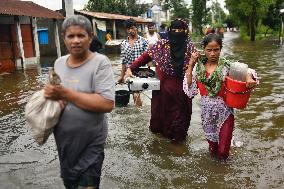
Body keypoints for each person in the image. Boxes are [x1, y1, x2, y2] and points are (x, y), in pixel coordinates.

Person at [44, 15, 115, 189]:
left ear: (90, 37)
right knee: (70, 184)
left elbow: (107, 103)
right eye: (71, 36)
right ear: (64, 38)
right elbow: (56, 94)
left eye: (81, 35)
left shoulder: (100, 63)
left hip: (91, 145)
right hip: (66, 144)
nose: (76, 41)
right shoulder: (59, 63)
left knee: (87, 185)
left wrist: (66, 93)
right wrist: (52, 97)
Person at [183, 33, 258, 159]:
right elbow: (189, 86)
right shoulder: (198, 67)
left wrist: (249, 78)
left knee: (223, 152)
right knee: (213, 150)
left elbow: (247, 71)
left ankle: (223, 174)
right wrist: (191, 64)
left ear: (220, 49)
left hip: (225, 113)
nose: (213, 53)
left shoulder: (227, 66)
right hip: (207, 115)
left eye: (216, 50)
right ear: (204, 50)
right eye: (209, 50)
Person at [125, 18, 197, 143]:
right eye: (174, 30)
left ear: (185, 32)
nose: (176, 33)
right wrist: (131, 68)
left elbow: (203, 68)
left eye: (180, 30)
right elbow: (145, 56)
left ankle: (177, 148)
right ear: (169, 31)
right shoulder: (161, 45)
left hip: (182, 93)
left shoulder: (190, 48)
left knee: (179, 127)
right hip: (162, 92)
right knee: (159, 124)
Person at [118, 18, 148, 106]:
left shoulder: (144, 41)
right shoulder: (124, 43)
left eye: (132, 28)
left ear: (136, 28)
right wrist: (121, 76)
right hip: (129, 72)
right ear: (126, 30)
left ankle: (139, 114)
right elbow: (124, 61)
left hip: (142, 71)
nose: (131, 30)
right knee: (134, 93)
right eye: (128, 29)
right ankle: (139, 112)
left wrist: (152, 72)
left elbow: (148, 59)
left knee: (136, 92)